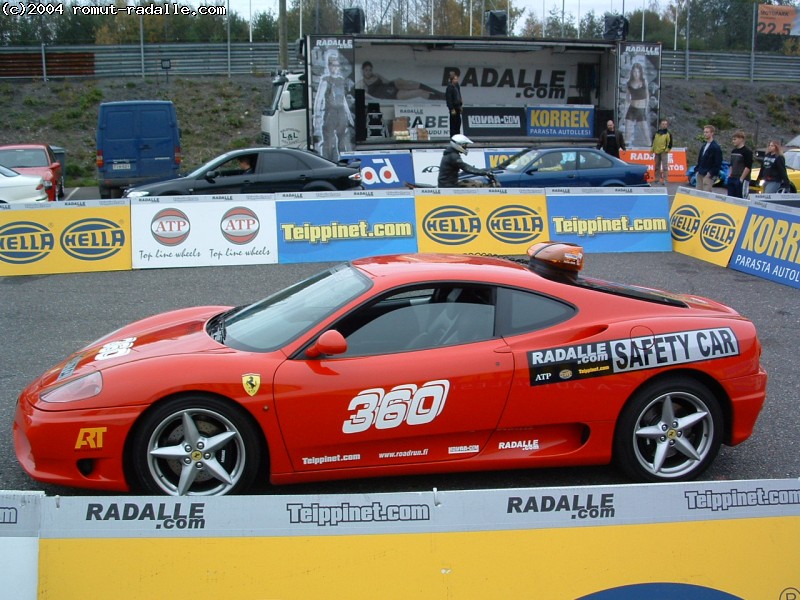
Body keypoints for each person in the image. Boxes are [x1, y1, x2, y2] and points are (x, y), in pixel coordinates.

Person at [313, 49, 354, 162]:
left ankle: (343, 162)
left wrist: (349, 117)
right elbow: (319, 99)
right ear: (329, 66)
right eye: (333, 65)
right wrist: (316, 116)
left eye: (337, 65)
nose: (335, 68)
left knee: (342, 140)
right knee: (328, 141)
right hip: (330, 112)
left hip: (341, 112)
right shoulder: (325, 80)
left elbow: (344, 100)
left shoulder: (341, 80)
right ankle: (327, 162)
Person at [358, 61, 445, 101]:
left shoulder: (376, 75)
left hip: (391, 86)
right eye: (366, 70)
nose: (368, 72)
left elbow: (387, 82)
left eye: (370, 70)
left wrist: (380, 77)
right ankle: (440, 98)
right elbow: (368, 97)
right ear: (363, 71)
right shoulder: (363, 84)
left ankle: (441, 94)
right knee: (419, 92)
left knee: (411, 83)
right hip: (391, 94)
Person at [624, 62, 652, 147]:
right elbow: (627, 96)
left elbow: (647, 94)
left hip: (641, 109)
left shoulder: (644, 82)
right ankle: (626, 145)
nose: (636, 74)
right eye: (634, 72)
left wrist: (646, 107)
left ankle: (649, 145)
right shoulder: (629, 83)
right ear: (632, 72)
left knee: (644, 129)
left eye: (638, 72)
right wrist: (626, 105)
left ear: (640, 72)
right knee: (628, 128)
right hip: (632, 108)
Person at [695, 124, 723, 192]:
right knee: (698, 194)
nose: (705, 134)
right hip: (700, 173)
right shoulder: (704, 146)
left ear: (712, 133)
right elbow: (700, 159)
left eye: (707, 132)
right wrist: (697, 170)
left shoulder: (716, 147)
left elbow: (718, 163)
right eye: (704, 132)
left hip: (708, 175)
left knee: (706, 195)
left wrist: (710, 173)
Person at [726, 131, 753, 198]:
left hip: (742, 179)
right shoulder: (734, 151)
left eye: (735, 139)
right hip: (732, 177)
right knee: (730, 198)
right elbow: (731, 164)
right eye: (732, 139)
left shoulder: (747, 152)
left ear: (741, 139)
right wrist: (730, 175)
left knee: (741, 198)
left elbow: (748, 167)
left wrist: (741, 178)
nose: (733, 141)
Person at [651, 119, 672, 185]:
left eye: (665, 124)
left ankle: (665, 180)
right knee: (657, 166)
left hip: (663, 152)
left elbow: (670, 143)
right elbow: (654, 142)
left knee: (665, 166)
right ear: (660, 125)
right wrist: (652, 150)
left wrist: (666, 150)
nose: (664, 125)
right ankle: (657, 179)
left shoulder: (668, 134)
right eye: (663, 124)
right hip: (657, 151)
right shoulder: (656, 133)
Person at [445, 71, 463, 137]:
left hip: (458, 107)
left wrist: (460, 105)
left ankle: (458, 136)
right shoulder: (449, 87)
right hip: (453, 107)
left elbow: (459, 95)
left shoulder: (457, 86)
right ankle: (453, 136)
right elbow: (449, 99)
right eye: (455, 79)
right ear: (452, 80)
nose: (456, 80)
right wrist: (451, 108)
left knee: (458, 123)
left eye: (457, 79)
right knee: (453, 123)